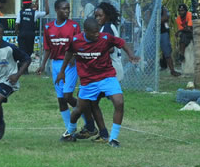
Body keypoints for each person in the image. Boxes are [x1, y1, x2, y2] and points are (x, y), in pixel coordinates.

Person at [56, 18, 140, 148]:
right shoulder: (76, 41)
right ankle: (70, 131)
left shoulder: (105, 38)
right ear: (85, 32)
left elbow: (121, 42)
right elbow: (68, 53)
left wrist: (131, 54)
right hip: (88, 80)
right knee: (79, 109)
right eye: (94, 33)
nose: (97, 35)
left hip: (107, 76)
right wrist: (62, 71)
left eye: (97, 32)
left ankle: (113, 139)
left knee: (119, 102)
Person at [36, 0, 97, 140]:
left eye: (68, 8)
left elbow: (79, 44)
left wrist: (74, 57)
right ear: (56, 10)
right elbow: (47, 49)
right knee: (61, 100)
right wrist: (43, 64)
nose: (67, 11)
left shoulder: (74, 26)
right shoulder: (48, 28)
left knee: (67, 96)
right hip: (55, 65)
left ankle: (89, 122)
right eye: (64, 8)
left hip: (69, 64)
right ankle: (71, 131)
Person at [15, 0, 49, 73]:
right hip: (30, 34)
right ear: (30, 5)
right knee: (29, 51)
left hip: (22, 34)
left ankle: (22, 67)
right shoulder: (35, 13)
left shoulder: (20, 12)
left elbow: (17, 23)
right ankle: (24, 68)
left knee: (22, 51)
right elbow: (47, 12)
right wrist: (46, 2)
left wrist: (17, 32)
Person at [94, 2, 124, 81]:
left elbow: (110, 49)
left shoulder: (107, 28)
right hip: (113, 66)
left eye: (100, 16)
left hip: (111, 67)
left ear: (107, 16)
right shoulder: (108, 26)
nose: (97, 18)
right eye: (96, 16)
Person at [160, 6, 181, 76]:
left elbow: (166, 17)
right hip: (154, 33)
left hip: (163, 33)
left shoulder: (163, 8)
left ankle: (172, 70)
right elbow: (147, 18)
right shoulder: (150, 7)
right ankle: (149, 71)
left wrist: (157, 20)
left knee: (167, 52)